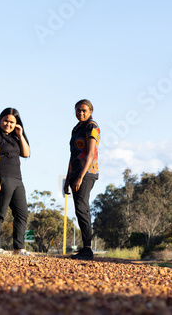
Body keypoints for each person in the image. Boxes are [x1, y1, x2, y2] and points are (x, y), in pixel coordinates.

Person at [0, 108, 32, 256]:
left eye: (12, 122)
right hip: (1, 178)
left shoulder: (16, 138)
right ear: (0, 119)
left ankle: (19, 248)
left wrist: (20, 134)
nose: (8, 124)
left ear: (16, 124)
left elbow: (26, 153)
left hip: (17, 180)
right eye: (6, 120)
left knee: (22, 213)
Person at [64, 99, 100, 260]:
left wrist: (80, 177)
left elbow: (90, 154)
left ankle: (87, 249)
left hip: (87, 173)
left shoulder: (92, 126)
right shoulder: (76, 129)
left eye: (84, 110)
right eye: (78, 110)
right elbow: (73, 156)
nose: (81, 113)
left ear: (90, 111)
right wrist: (67, 179)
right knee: (79, 209)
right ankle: (85, 248)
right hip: (75, 173)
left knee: (82, 208)